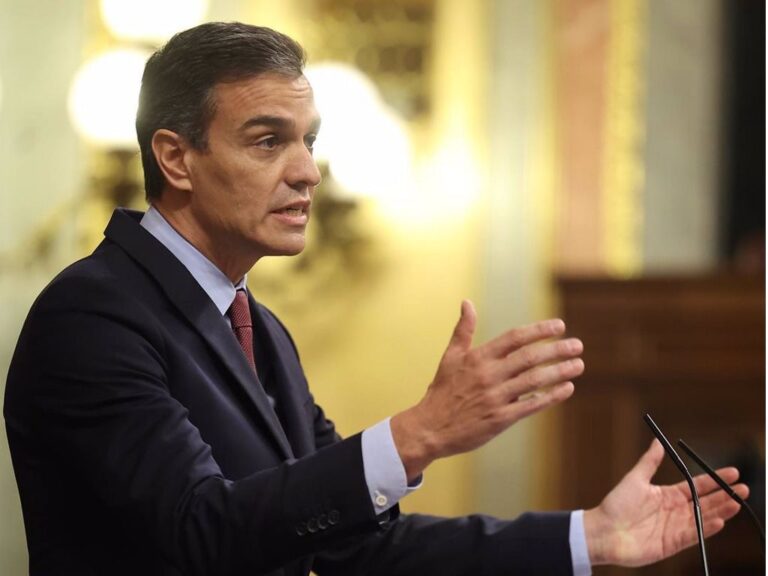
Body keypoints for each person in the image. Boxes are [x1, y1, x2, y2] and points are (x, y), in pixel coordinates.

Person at [4, 22, 747, 576]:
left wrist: (592, 538)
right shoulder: (95, 315)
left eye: (310, 141)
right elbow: (198, 532)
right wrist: (419, 434)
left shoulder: (260, 329)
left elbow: (363, 548)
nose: (307, 173)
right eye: (268, 142)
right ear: (175, 157)